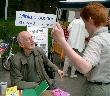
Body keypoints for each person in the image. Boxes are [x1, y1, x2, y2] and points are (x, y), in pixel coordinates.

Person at [52, 2, 110, 96]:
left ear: (90, 19)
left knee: (69, 60)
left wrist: (62, 40)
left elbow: (84, 68)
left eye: (84, 22)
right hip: (107, 86)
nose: (85, 26)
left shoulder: (97, 40)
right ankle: (71, 73)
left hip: (96, 89)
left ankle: (66, 72)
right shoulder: (108, 37)